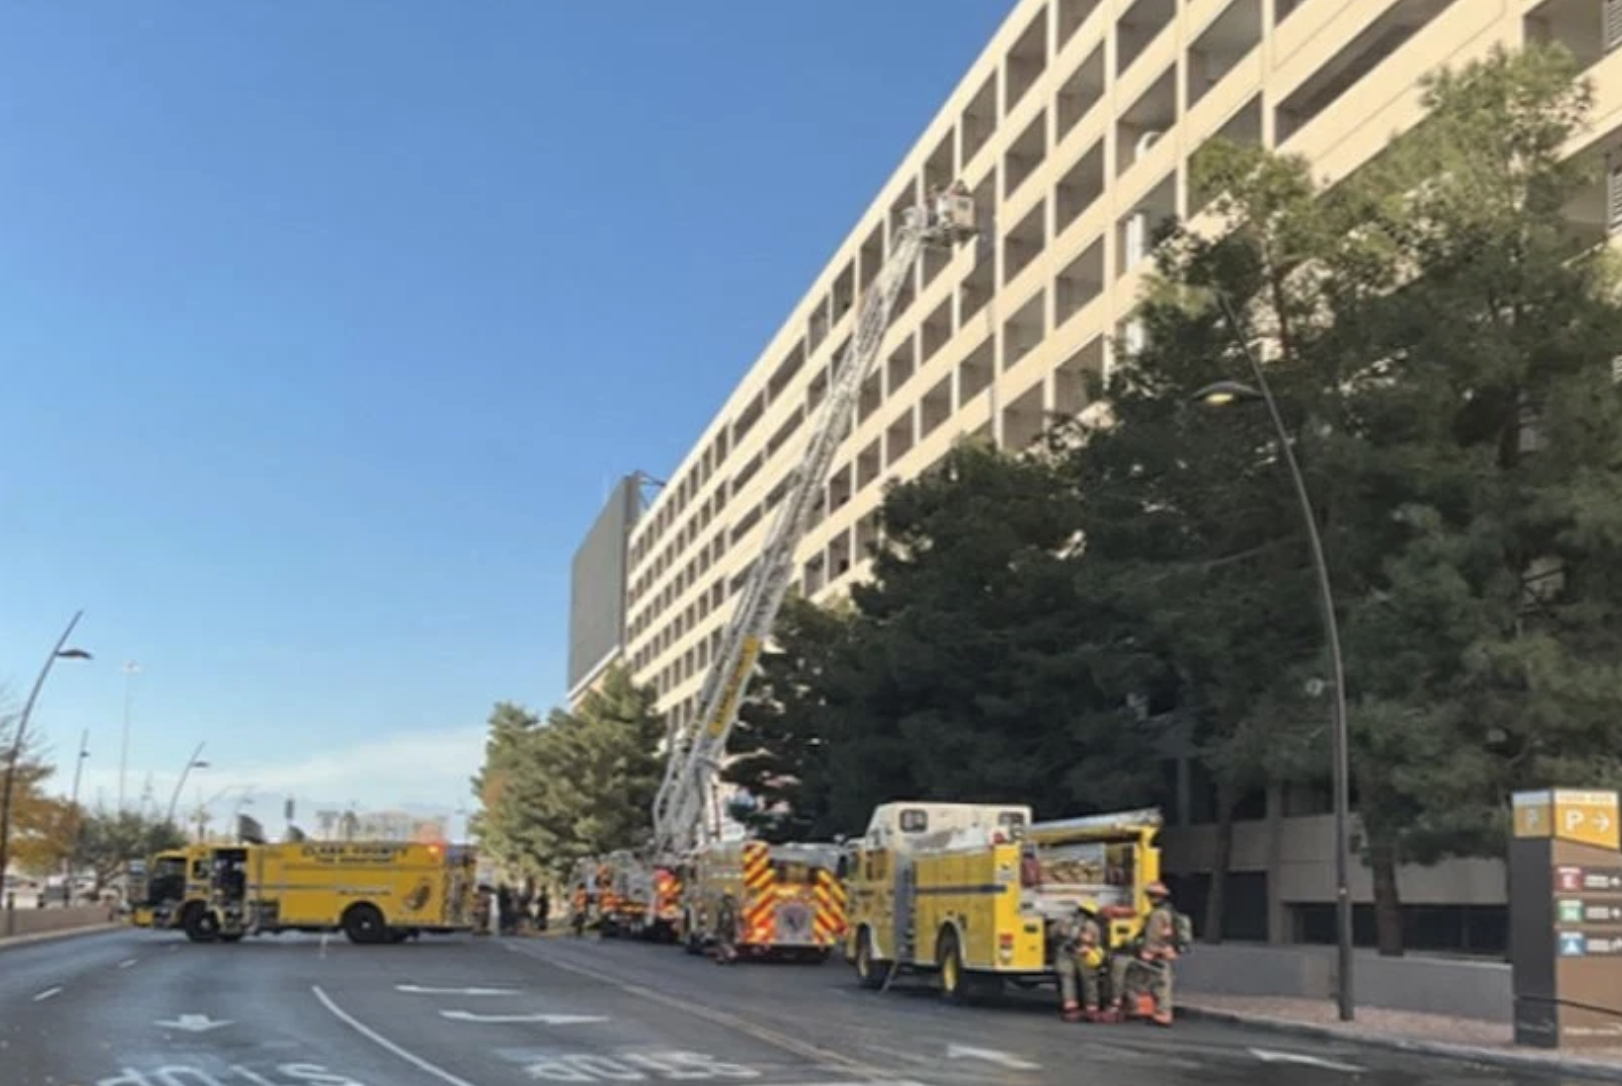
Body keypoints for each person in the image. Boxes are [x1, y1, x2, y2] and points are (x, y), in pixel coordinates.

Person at [1109, 881, 1180, 1025]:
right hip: (1165, 951)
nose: (1149, 898)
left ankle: (1143, 1009)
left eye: (1151, 895)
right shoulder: (1169, 912)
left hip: (1156, 953)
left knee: (1134, 980)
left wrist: (1148, 952)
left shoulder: (1157, 914)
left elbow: (1153, 935)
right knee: (1161, 983)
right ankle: (1162, 1013)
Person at [1054, 903, 1107, 1022]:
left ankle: (1070, 1008)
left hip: (1064, 953)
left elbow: (1053, 934)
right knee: (1089, 979)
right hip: (1084, 952)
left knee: (1067, 979)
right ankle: (1091, 1008)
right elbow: (1096, 942)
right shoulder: (1092, 925)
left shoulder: (1064, 921)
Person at [713, 891, 739, 965]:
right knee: (726, 942)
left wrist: (720, 928)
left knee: (722, 942)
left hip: (725, 929)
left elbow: (725, 919)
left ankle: (732, 953)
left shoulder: (726, 909)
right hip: (731, 928)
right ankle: (720, 958)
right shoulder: (733, 908)